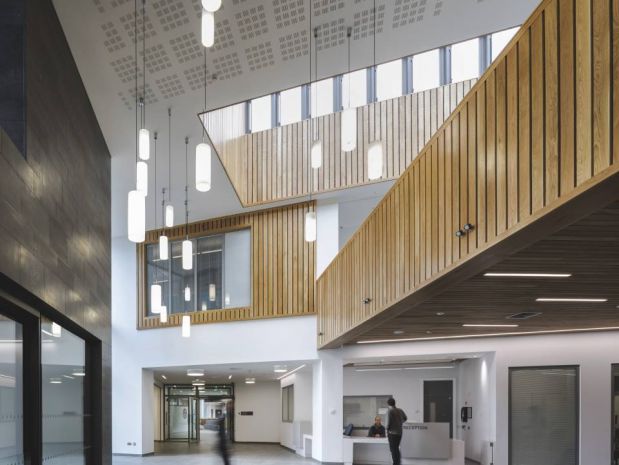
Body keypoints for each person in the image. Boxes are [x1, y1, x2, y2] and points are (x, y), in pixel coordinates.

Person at [386, 398, 407, 465]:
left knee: (393, 450)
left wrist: (387, 430)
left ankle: (395, 463)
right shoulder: (400, 410)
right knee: (396, 449)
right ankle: (398, 463)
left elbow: (387, 424)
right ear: (394, 403)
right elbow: (405, 418)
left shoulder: (389, 411)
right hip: (400, 433)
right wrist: (399, 423)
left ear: (388, 404)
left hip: (392, 433)